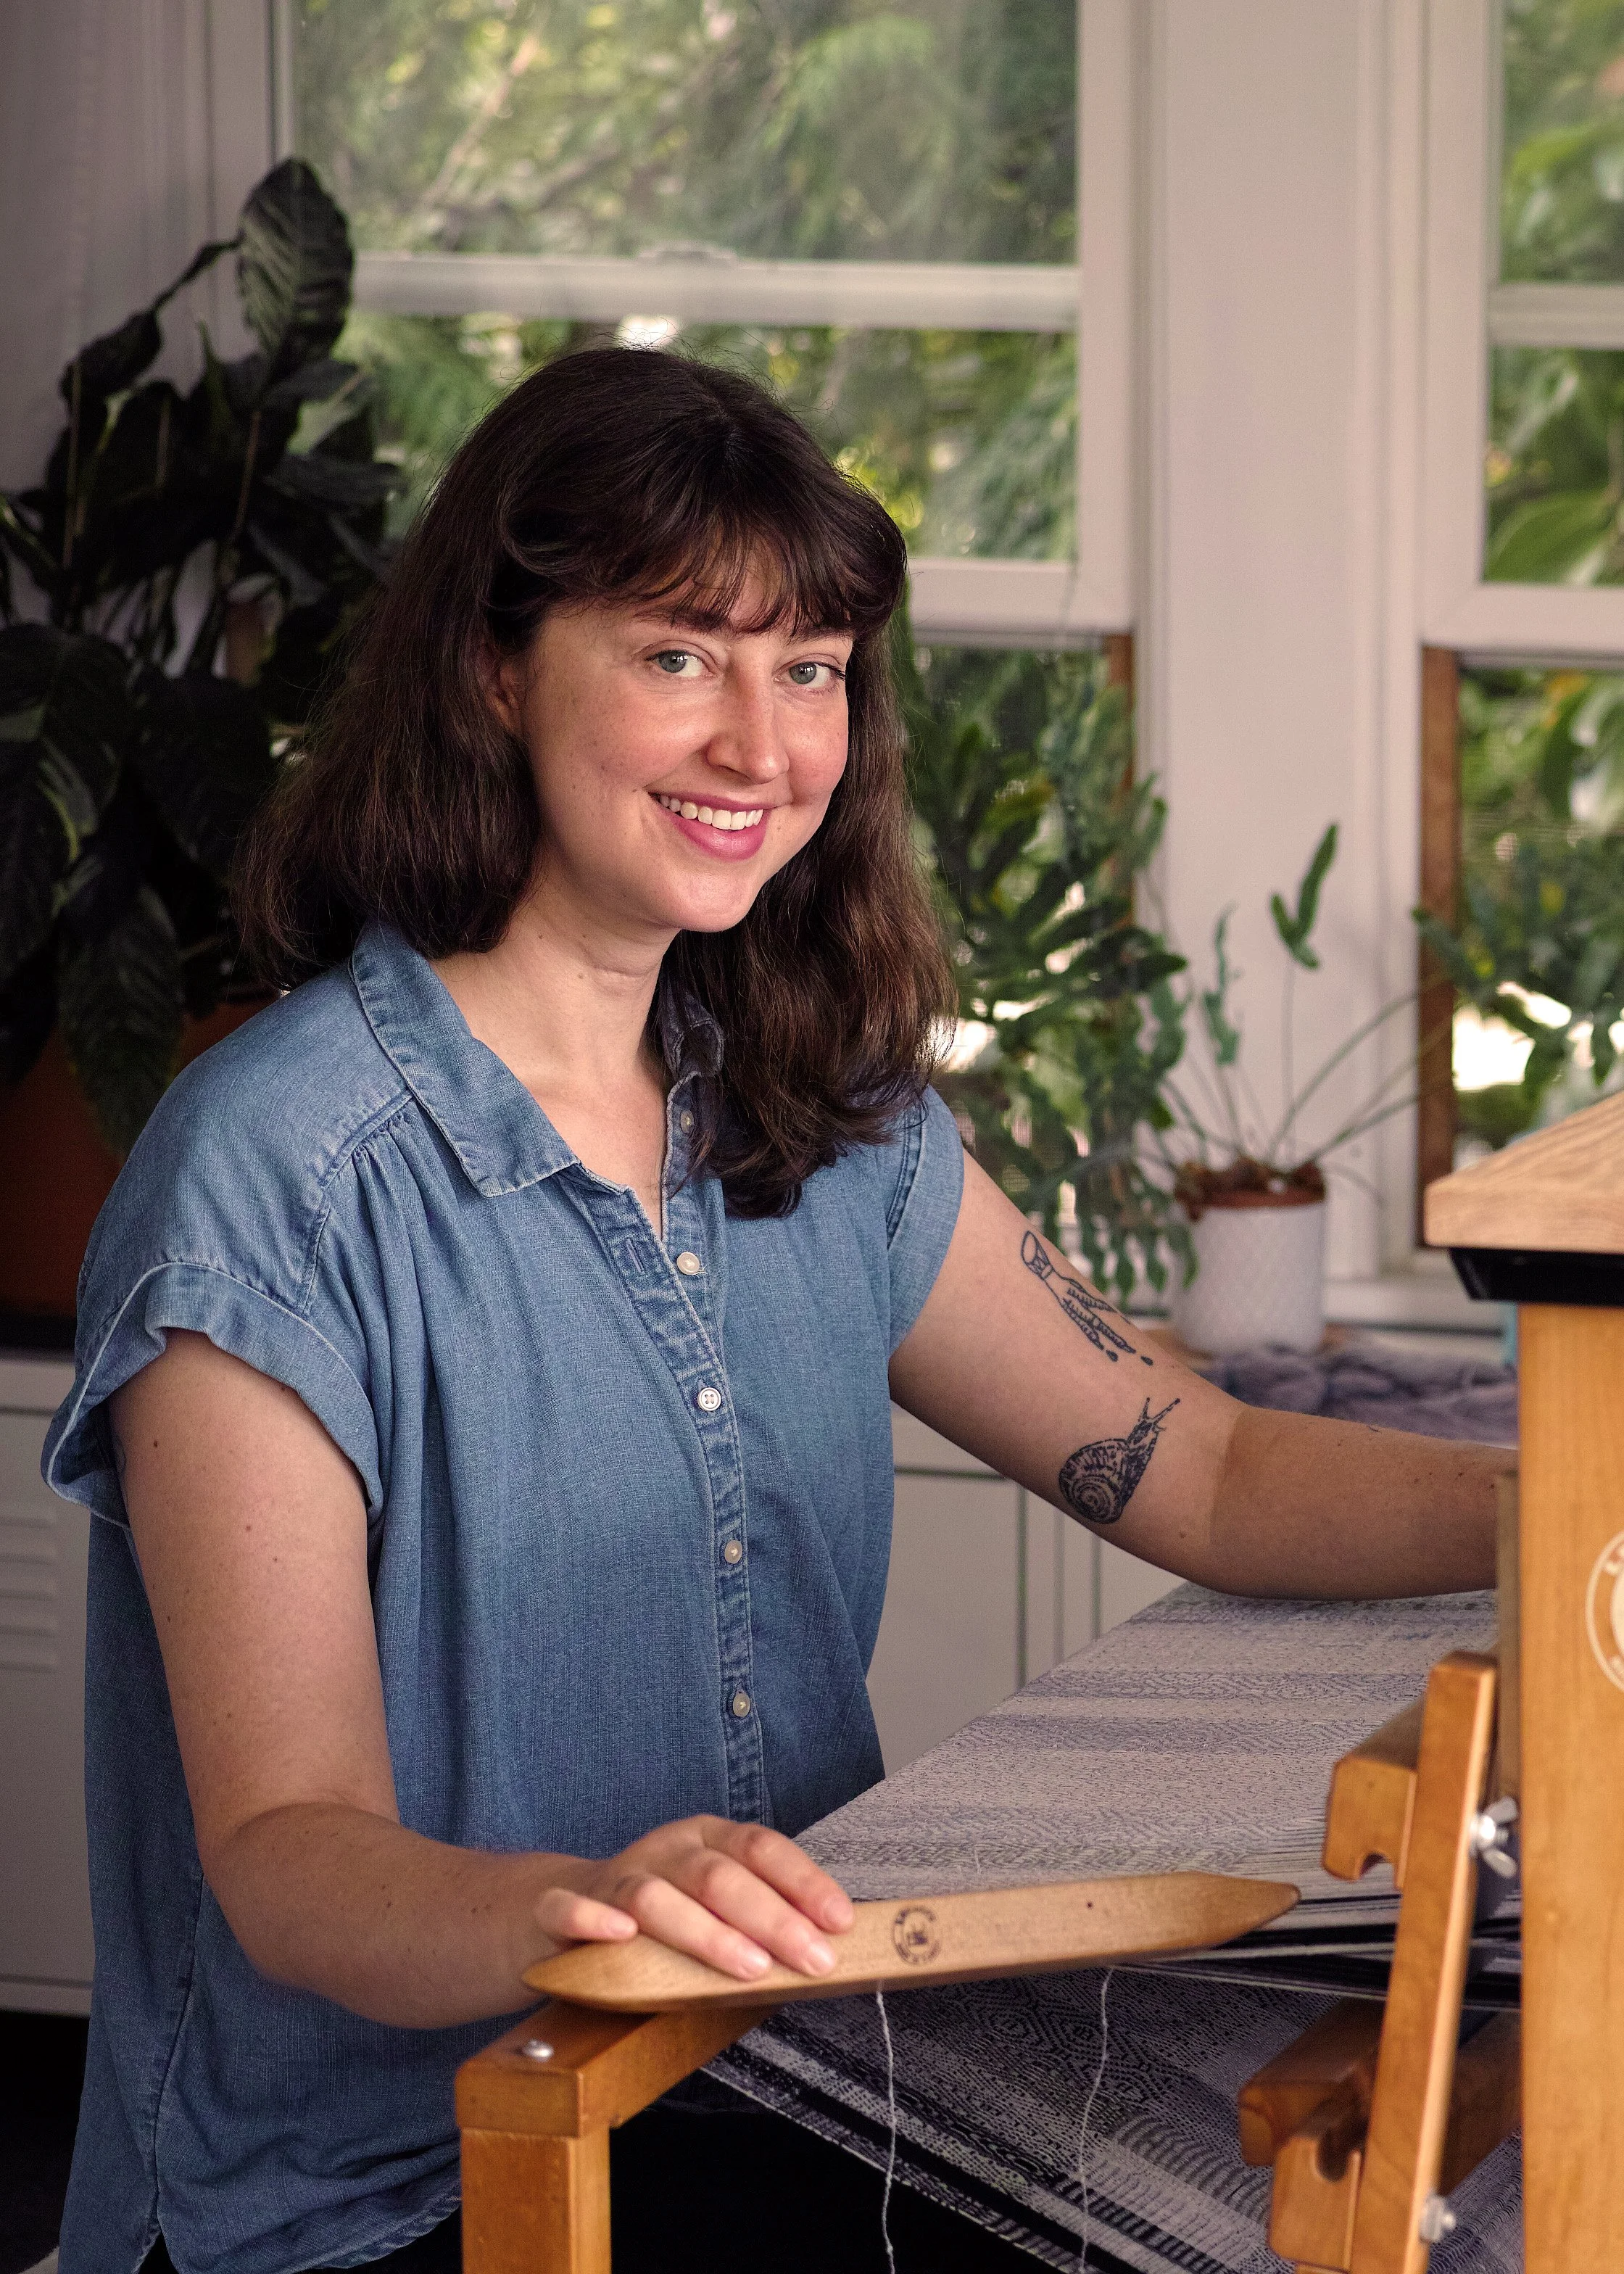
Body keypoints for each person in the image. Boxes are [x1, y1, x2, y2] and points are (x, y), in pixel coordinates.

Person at [43, 348, 1504, 2274]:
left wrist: (1564, 1506)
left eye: (806, 669)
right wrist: (583, 1902)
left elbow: (1205, 1472)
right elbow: (289, 1857)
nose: (761, 746)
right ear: (499, 666)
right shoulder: (279, 1182)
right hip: (389, 2189)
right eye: (678, 659)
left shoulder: (827, 1115)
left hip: (769, 2075)